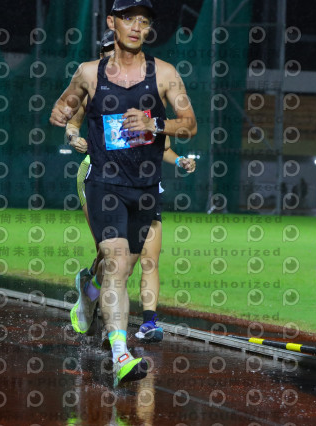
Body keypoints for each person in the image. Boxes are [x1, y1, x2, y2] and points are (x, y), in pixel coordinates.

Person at [50, 0, 197, 387]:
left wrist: (154, 124)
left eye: (143, 21)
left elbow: (189, 124)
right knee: (115, 261)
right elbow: (65, 107)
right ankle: (121, 353)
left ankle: (88, 292)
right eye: (129, 19)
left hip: (145, 188)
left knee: (125, 267)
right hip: (104, 181)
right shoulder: (89, 73)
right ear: (113, 23)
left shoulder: (164, 74)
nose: (136, 26)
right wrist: (65, 122)